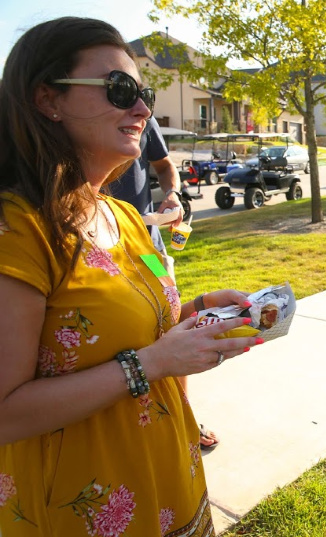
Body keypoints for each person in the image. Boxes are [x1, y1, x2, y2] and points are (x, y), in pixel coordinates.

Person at [0, 17, 265, 535]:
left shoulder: (121, 215)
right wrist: (152, 362)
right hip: (81, 509)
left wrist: (200, 312)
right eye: (121, 90)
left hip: (170, 483)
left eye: (142, 92)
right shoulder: (17, 231)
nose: (143, 109)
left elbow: (136, 331)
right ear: (48, 100)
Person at [109, 118, 220, 451]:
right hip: (101, 253)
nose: (140, 106)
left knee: (171, 320)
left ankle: (184, 417)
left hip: (149, 250)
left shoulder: (143, 118)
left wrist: (172, 193)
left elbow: (164, 166)